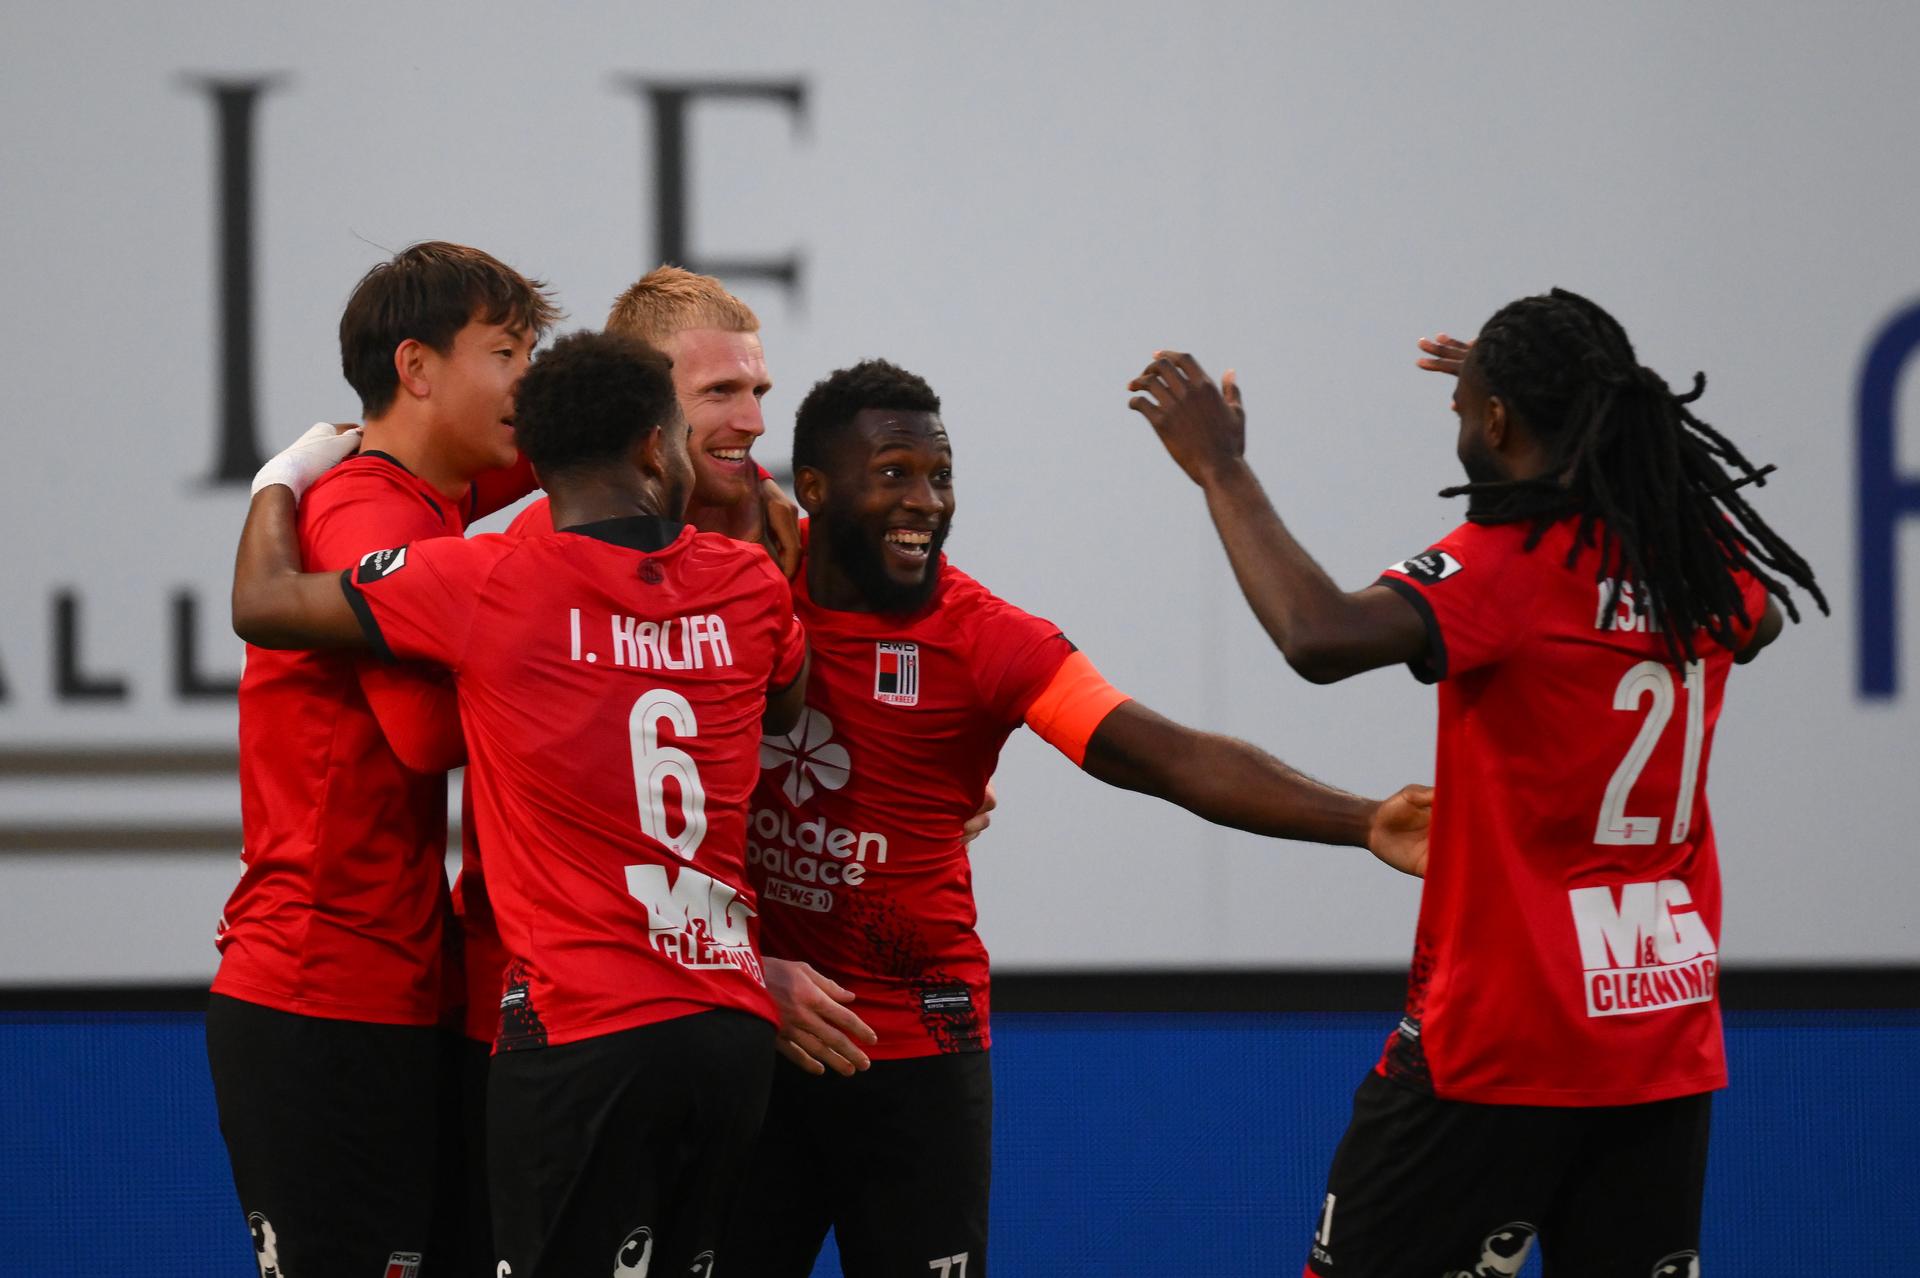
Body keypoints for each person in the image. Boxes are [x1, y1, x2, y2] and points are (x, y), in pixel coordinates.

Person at [1123, 288, 1826, 1276]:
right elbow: (1760, 624)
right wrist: (1598, 434)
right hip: (1655, 1032)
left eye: (1470, 413)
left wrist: (1221, 468)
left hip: (1501, 1041)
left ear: (1496, 422)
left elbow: (1316, 634)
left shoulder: (1511, 563)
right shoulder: (1698, 563)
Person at [727, 359, 1433, 1278]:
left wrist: (1364, 818)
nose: (927, 501)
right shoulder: (739, 586)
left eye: (940, 475)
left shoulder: (987, 638)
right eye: (894, 472)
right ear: (813, 489)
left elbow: (1169, 756)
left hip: (912, 1050)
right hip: (752, 1029)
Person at [232, 329, 808, 1277]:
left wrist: (282, 476)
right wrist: (760, 562)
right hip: (728, 1029)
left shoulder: (485, 581)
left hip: (579, 1033)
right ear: (657, 447)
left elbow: (262, 602)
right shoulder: (747, 582)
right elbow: (785, 701)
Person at [206, 241, 558, 1278]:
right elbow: (426, 734)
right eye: (507, 355)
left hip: (389, 980)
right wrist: (570, 657)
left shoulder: (426, 502)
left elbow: (575, 452)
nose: (527, 385)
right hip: (322, 990)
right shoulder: (370, 508)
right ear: (416, 368)